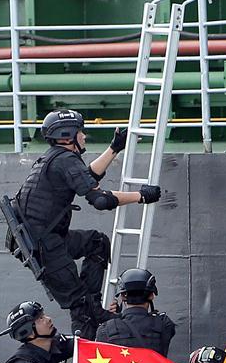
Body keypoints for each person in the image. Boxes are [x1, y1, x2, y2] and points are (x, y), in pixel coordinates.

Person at [13, 109, 162, 340]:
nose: (84, 136)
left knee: (97, 243)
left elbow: (87, 178)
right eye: (80, 132)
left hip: (49, 239)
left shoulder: (57, 157)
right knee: (81, 307)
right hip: (45, 247)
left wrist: (114, 149)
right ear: (67, 136)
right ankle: (89, 348)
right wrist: (140, 196)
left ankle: (95, 305)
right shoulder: (64, 160)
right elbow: (100, 199)